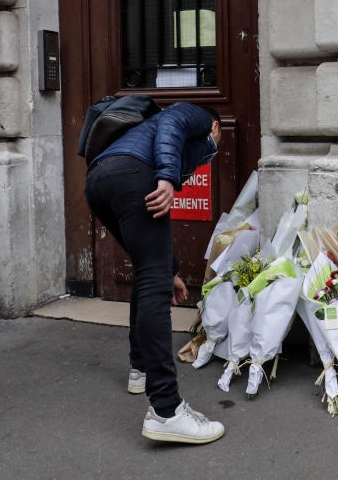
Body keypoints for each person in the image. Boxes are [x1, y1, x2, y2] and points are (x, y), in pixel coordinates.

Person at [85, 102, 225, 444]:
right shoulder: (199, 117)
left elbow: (152, 259)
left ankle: (140, 370)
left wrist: (171, 271)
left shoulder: (141, 139)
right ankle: (166, 410)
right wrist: (166, 176)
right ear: (216, 127)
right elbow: (175, 120)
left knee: (151, 273)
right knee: (153, 280)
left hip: (99, 181)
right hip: (135, 173)